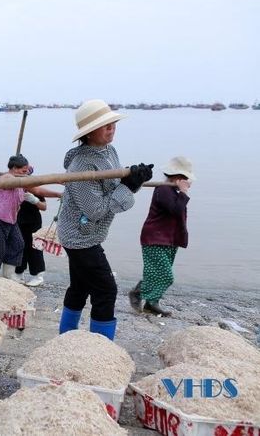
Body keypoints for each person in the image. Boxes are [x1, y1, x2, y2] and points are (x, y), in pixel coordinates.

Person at [57, 99, 153, 341]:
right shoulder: (81, 165)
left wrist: (134, 180)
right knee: (106, 290)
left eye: (113, 123)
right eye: (105, 125)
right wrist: (129, 187)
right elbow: (96, 209)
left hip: (89, 234)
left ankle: (65, 337)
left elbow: (113, 188)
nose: (112, 128)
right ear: (89, 133)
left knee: (79, 287)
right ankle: (100, 347)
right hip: (79, 236)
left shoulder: (109, 151)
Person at [129, 156, 194, 317]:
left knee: (157, 274)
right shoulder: (163, 189)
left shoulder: (173, 191)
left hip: (169, 240)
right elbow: (175, 210)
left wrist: (181, 192)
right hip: (155, 239)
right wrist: (184, 193)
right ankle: (137, 293)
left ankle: (152, 303)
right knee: (165, 275)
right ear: (179, 177)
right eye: (186, 178)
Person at [0, 154, 42, 281]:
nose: (26, 173)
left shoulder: (21, 183)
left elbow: (38, 191)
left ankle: (8, 275)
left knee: (18, 244)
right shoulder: (6, 177)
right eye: (23, 171)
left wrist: (58, 194)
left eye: (27, 171)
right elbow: (8, 179)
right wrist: (20, 179)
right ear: (15, 168)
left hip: (11, 220)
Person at [14, 161, 63, 287]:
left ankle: (38, 275)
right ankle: (18, 273)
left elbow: (44, 207)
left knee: (35, 247)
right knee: (19, 246)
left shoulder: (35, 189)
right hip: (18, 221)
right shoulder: (14, 186)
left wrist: (34, 200)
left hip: (33, 221)